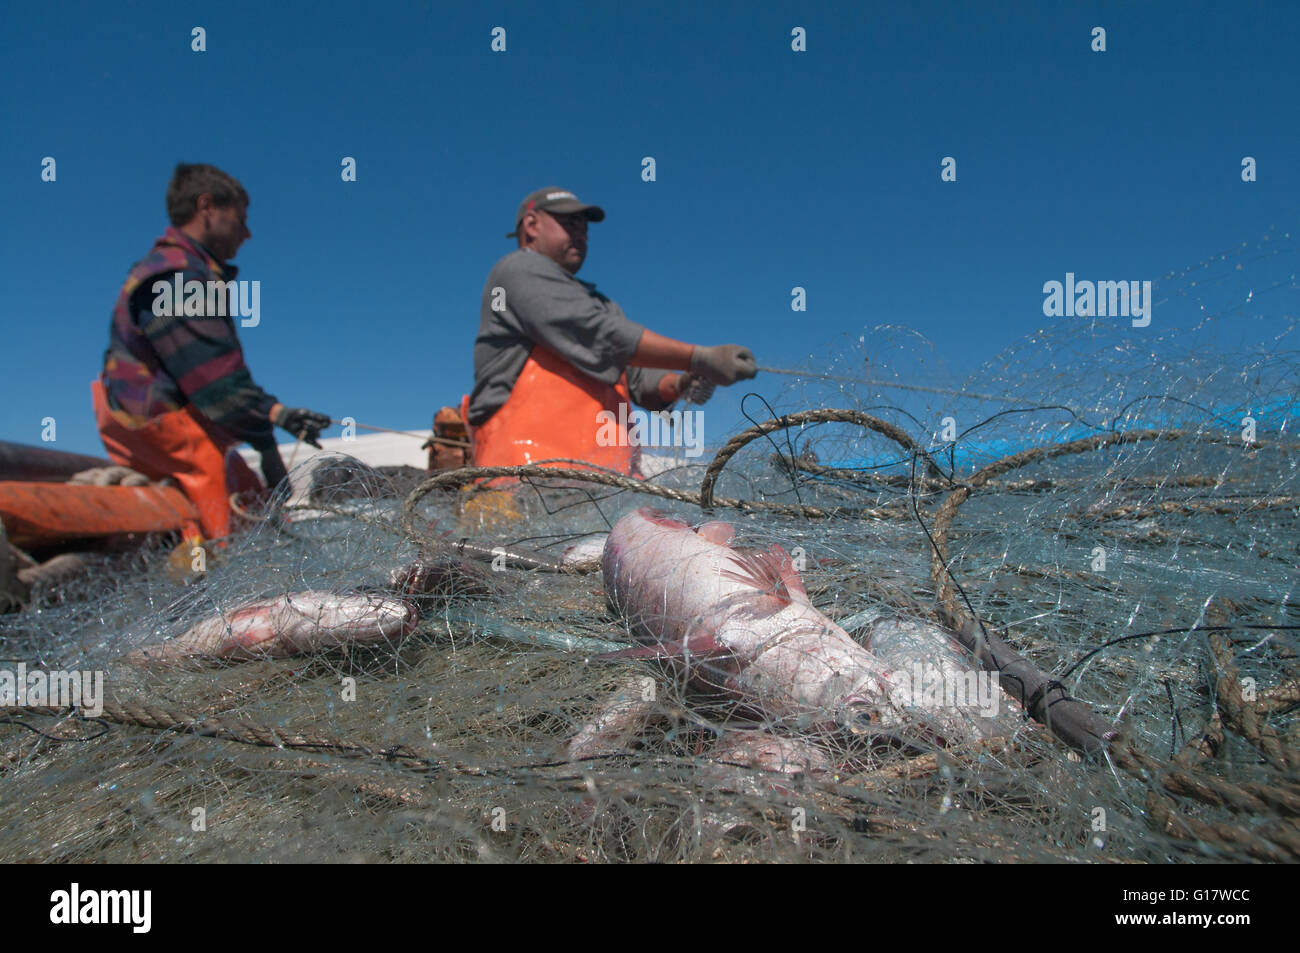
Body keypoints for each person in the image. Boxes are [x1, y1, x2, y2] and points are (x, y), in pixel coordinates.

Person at [93, 163, 331, 542]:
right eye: (241, 218)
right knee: (229, 551)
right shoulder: (177, 276)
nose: (248, 233)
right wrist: (274, 423)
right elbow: (216, 384)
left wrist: (267, 431)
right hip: (172, 440)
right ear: (207, 206)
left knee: (256, 512)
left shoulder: (183, 271)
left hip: (185, 442)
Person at [466, 187, 757, 479]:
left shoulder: (602, 305)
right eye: (570, 224)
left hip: (607, 485)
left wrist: (682, 382)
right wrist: (699, 357)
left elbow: (639, 380)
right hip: (526, 479)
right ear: (531, 225)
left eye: (585, 229)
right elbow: (599, 334)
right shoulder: (516, 271)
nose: (581, 235)